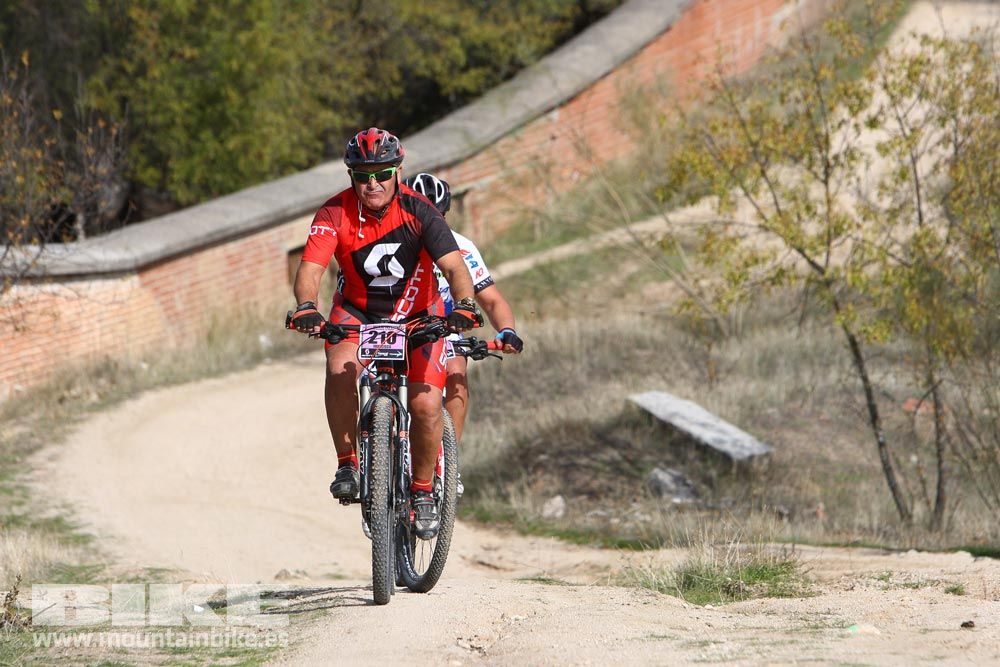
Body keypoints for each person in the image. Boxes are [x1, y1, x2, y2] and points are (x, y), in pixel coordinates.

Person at [288, 128, 481, 539]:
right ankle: (347, 463)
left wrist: (463, 306)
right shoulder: (333, 213)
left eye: (382, 173)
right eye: (361, 175)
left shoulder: (421, 210)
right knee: (339, 366)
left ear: (398, 172)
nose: (371, 183)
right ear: (351, 176)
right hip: (358, 311)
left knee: (428, 404)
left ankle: (424, 491)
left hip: (418, 315)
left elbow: (454, 267)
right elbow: (310, 270)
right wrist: (307, 306)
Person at [403, 173, 523, 446]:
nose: (428, 225)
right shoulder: (392, 241)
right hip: (398, 325)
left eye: (436, 218)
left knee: (456, 369)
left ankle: (448, 460)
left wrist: (507, 330)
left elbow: (491, 300)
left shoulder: (463, 248)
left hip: (443, 328)